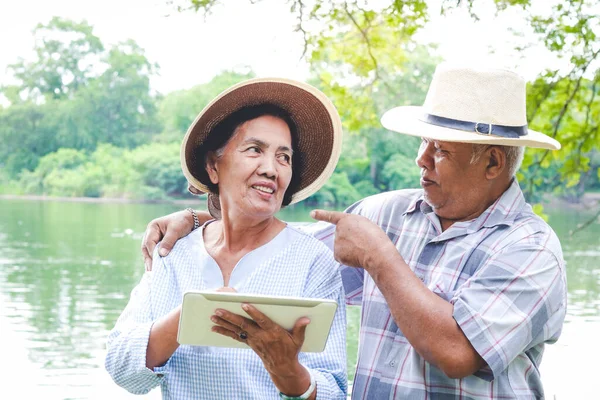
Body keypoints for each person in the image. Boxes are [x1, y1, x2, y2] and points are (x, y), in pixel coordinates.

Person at [142, 64, 567, 399]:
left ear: (493, 163)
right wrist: (202, 221)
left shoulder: (531, 249)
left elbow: (456, 352)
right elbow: (281, 247)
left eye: (440, 150)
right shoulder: (384, 212)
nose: (422, 159)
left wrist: (379, 259)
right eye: (423, 142)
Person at [106, 78, 348, 400]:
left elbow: (334, 389)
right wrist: (192, 314)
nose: (271, 169)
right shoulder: (173, 250)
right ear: (213, 167)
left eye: (283, 157)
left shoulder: (313, 261)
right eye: (255, 150)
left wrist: (288, 371)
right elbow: (121, 366)